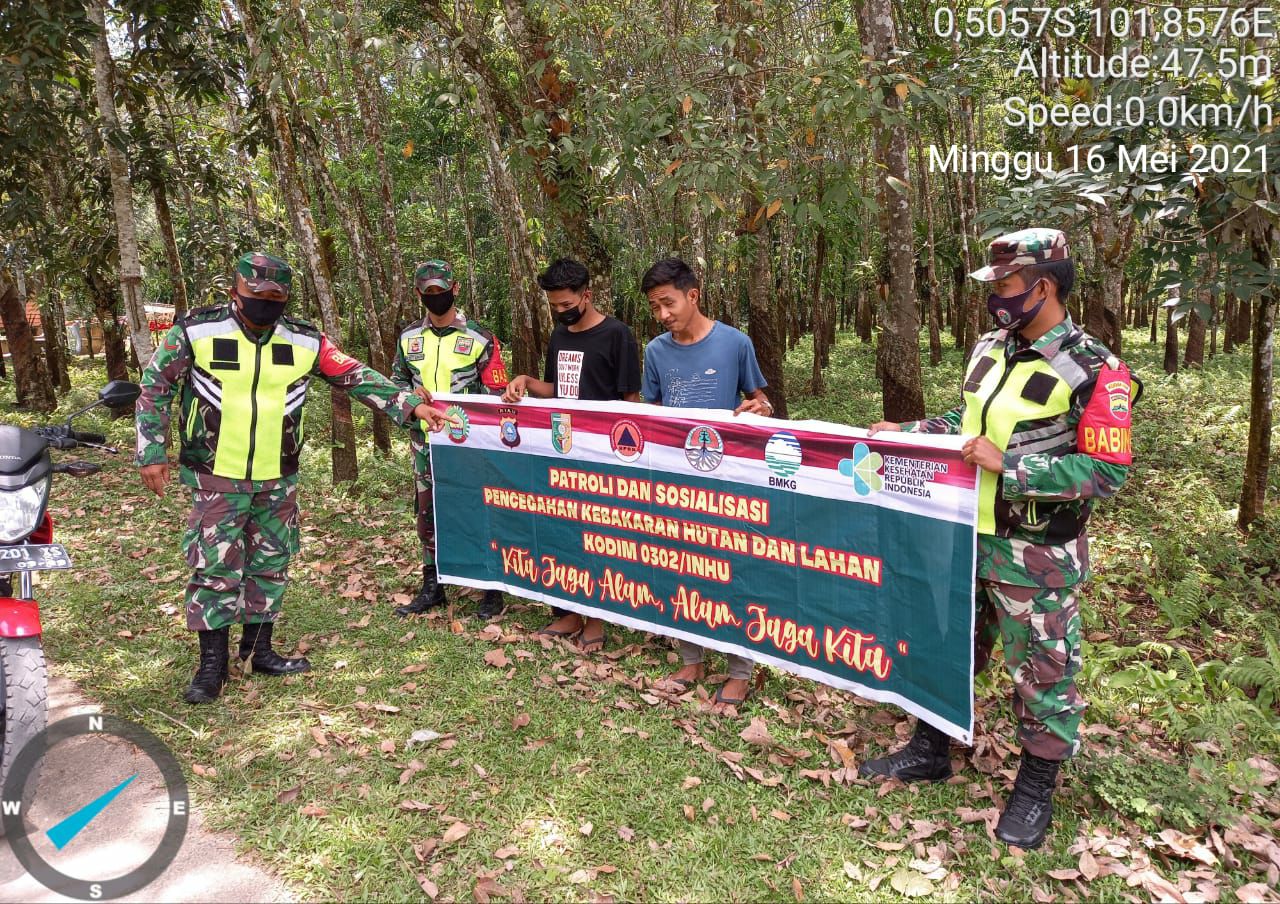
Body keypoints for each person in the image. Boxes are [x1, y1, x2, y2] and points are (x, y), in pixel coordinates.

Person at [857, 228, 1138, 850]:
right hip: (963, 534)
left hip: (1034, 553)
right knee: (948, 643)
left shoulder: (1096, 369)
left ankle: (1035, 786)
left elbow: (1108, 472)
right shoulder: (990, 347)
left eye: (1005, 287)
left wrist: (1010, 466)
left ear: (1042, 286)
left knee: (1042, 669)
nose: (995, 300)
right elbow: (968, 426)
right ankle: (932, 747)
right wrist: (909, 430)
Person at [136, 252, 450, 705]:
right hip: (215, 472)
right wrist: (150, 450)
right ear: (235, 293)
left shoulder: (304, 340)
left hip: (277, 475)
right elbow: (154, 388)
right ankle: (212, 666)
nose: (265, 304)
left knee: (270, 562)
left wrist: (411, 406)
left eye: (275, 298)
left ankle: (259, 650)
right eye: (256, 296)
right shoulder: (197, 331)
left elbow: (355, 376)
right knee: (216, 566)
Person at [640, 258, 773, 714]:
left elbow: (760, 402)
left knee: (733, 571)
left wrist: (758, 410)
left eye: (668, 303)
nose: (663, 315)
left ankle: (740, 671)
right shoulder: (656, 351)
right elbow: (650, 416)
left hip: (726, 482)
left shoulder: (735, 343)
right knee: (680, 567)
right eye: (655, 307)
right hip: (677, 484)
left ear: (693, 295)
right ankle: (691, 659)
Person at [502, 257, 642, 652]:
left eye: (567, 305)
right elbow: (558, 390)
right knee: (563, 534)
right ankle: (568, 612)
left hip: (601, 456)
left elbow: (630, 402)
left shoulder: (619, 335)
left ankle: (597, 617)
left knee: (598, 537)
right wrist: (526, 382)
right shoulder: (559, 336)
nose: (561, 312)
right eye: (554, 307)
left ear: (587, 295)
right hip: (561, 450)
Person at [390, 259, 510, 618]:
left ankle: (491, 587)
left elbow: (497, 390)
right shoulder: (408, 337)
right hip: (425, 443)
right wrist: (412, 399)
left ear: (454, 290)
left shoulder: (479, 337)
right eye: (429, 293)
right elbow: (394, 385)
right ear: (419, 295)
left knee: (479, 508)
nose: (436, 298)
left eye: (442, 291)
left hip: (469, 444)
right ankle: (434, 584)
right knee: (427, 513)